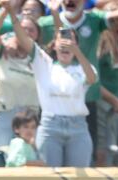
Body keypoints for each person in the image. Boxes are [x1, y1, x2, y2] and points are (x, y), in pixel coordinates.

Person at [38, 0, 118, 151]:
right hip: (53, 105)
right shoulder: (44, 23)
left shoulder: (94, 20)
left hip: (86, 104)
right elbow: (26, 32)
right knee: (50, 168)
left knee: (88, 163)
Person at [12, 16, 96, 167]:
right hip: (51, 126)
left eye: (70, 41)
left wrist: (77, 52)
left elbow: (91, 78)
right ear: (54, 45)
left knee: (78, 179)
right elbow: (24, 39)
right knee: (51, 178)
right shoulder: (44, 63)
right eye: (61, 41)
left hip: (78, 127)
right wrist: (12, 13)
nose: (65, 44)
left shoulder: (82, 67)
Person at [0, 0, 41, 166]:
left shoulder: (40, 57)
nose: (26, 32)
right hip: (1, 113)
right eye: (23, 29)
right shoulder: (4, 50)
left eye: (31, 30)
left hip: (28, 121)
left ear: (37, 35)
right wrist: (5, 11)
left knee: (26, 165)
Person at [95, 2, 118, 166]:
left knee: (117, 150)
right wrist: (115, 101)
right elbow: (93, 81)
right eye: (116, 22)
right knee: (102, 151)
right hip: (101, 103)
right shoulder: (99, 42)